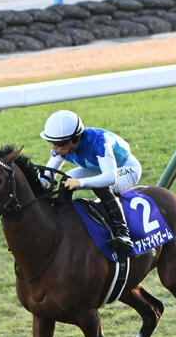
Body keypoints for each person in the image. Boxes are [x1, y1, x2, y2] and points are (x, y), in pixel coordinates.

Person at [40, 109, 141, 254]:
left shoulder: (99, 142)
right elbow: (46, 177)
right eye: (52, 143)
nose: (55, 148)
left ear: (75, 140)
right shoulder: (63, 146)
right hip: (100, 169)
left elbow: (110, 177)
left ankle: (123, 233)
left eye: (59, 144)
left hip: (126, 169)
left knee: (100, 185)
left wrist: (81, 183)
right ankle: (63, 221)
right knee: (65, 180)